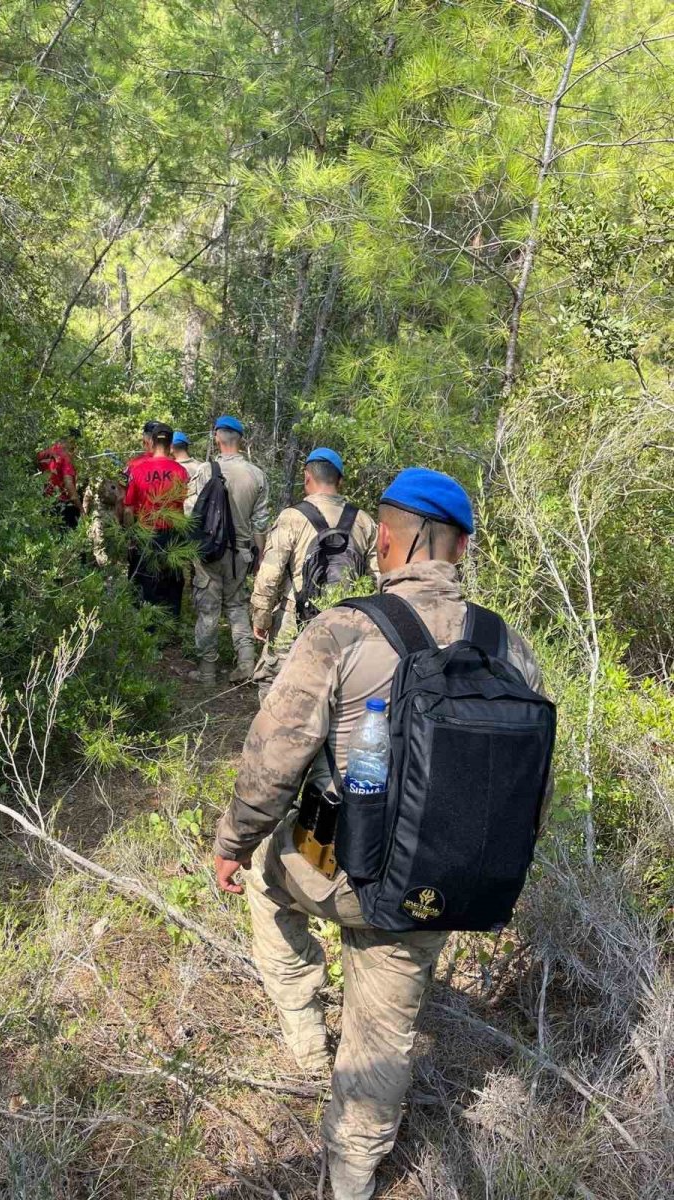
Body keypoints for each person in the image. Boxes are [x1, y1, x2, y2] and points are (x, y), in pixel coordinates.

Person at [213, 468, 546, 1200]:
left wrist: (232, 842)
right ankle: (354, 1176)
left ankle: (304, 1032)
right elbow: (531, 793)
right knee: (386, 1033)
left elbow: (274, 759)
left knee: (269, 883)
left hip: (335, 866)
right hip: (445, 881)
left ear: (388, 542)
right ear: (461, 547)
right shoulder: (511, 646)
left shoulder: (344, 629)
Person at [251, 448, 378, 699]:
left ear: (307, 477)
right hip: (346, 620)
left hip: (294, 617)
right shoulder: (363, 521)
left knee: (273, 681)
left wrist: (261, 616)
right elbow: (377, 578)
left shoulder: (292, 517)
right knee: (336, 685)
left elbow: (270, 574)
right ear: (340, 481)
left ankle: (276, 734)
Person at [188, 416, 269, 684]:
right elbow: (260, 522)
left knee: (208, 610)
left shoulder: (204, 471)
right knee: (237, 607)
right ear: (241, 440)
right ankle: (246, 664)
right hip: (241, 554)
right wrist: (258, 557)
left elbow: (191, 513)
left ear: (217, 439)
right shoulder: (257, 474)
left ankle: (207, 672)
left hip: (208, 552)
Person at [122, 423, 189, 617]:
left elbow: (128, 508)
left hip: (145, 533)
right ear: (170, 446)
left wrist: (131, 535)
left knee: (146, 581)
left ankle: (147, 626)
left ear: (151, 442)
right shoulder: (180, 471)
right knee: (172, 582)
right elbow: (186, 505)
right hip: (172, 534)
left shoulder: (138, 470)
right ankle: (171, 623)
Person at [37, 428, 81, 529]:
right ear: (71, 440)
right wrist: (81, 508)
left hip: (46, 499)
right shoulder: (65, 457)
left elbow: (40, 464)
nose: (76, 447)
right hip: (63, 504)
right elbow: (68, 484)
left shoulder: (47, 451)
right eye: (76, 443)